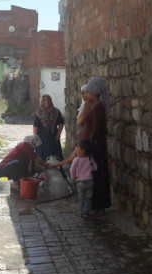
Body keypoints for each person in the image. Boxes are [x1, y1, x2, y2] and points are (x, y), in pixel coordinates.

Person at [49, 77, 111, 215]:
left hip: (93, 147)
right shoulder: (93, 107)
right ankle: (93, 206)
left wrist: (90, 147)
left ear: (95, 92)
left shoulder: (98, 107)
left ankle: (97, 206)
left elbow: (96, 130)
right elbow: (81, 122)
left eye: (88, 92)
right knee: (91, 176)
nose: (86, 95)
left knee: (95, 176)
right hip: (89, 145)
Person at [70, 140, 97, 218]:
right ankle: (86, 211)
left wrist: (73, 177)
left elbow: (72, 169)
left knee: (81, 197)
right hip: (90, 181)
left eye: (77, 147)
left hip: (80, 181)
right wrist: (91, 168)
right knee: (88, 198)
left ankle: (81, 212)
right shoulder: (90, 159)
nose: (76, 148)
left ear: (82, 150)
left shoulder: (76, 159)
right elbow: (95, 168)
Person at [33, 94, 64, 162]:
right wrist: (35, 137)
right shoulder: (38, 112)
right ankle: (41, 170)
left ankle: (55, 170)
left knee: (54, 156)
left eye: (48, 100)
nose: (46, 102)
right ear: (42, 101)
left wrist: (58, 135)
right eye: (44, 100)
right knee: (42, 156)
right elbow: (36, 125)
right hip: (41, 138)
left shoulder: (56, 111)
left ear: (51, 101)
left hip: (53, 137)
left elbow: (61, 124)